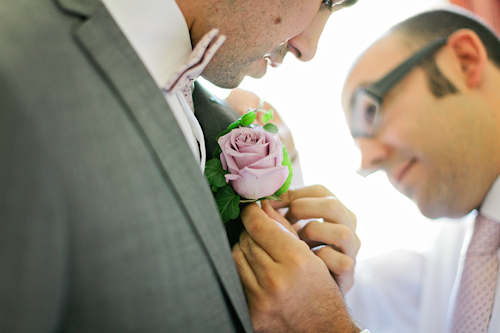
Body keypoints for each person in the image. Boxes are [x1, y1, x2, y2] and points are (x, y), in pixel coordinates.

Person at [0, 0, 366, 332]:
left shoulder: (218, 119)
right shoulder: (18, 67)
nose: (309, 48)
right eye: (326, 1)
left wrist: (304, 298)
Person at [341, 6, 500, 333]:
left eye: (370, 110)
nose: (366, 162)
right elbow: (358, 296)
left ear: (464, 61)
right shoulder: (452, 263)